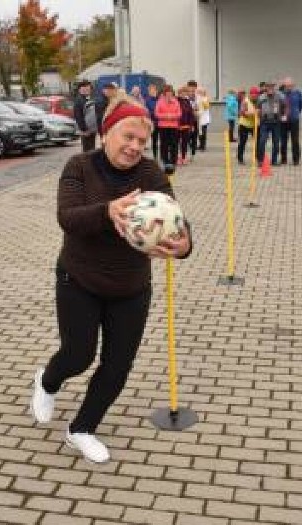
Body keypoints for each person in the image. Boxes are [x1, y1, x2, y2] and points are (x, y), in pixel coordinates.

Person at [30, 94, 193, 464]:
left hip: (131, 287)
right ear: (107, 133)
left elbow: (174, 218)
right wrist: (107, 211)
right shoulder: (79, 166)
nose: (135, 147)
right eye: (128, 137)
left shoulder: (151, 173)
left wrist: (183, 246)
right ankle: (47, 381)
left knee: (118, 365)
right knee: (78, 354)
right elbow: (68, 217)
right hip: (80, 279)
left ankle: (82, 429)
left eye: (141, 141)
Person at [255, 82, 284, 166]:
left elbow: (285, 105)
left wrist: (284, 115)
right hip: (265, 122)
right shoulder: (261, 97)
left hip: (276, 122)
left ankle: (274, 160)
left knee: (276, 142)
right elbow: (258, 108)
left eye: (272, 87)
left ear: (274, 88)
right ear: (266, 88)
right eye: (268, 87)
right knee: (262, 141)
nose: (270, 89)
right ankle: (260, 160)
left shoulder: (280, 96)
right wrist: (257, 117)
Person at [155, 84, 181, 174]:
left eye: (171, 93)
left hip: (173, 126)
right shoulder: (160, 102)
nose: (169, 95)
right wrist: (167, 116)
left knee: (174, 144)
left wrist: (171, 116)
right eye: (167, 93)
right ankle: (165, 161)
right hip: (163, 126)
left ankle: (173, 161)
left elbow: (179, 114)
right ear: (164, 93)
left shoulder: (176, 101)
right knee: (164, 144)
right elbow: (157, 114)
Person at [278, 77, 302, 166]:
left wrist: (295, 113)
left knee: (295, 140)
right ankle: (283, 159)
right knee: (283, 140)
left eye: (290, 85)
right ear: (284, 86)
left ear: (293, 85)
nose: (288, 87)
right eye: (286, 85)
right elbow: (279, 106)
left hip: (294, 119)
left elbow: (301, 106)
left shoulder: (298, 93)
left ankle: (296, 159)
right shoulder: (281, 94)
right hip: (283, 121)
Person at [74, 81, 99, 152]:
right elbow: (78, 117)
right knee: (87, 149)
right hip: (86, 130)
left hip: (91, 129)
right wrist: (84, 129)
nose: (87, 90)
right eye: (85, 89)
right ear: (80, 90)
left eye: (89, 89)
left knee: (91, 149)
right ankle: (88, 162)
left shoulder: (88, 99)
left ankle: (91, 162)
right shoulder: (79, 101)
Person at [237, 87, 259, 165]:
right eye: (253, 94)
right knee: (243, 141)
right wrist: (251, 113)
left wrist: (258, 113)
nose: (254, 96)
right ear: (250, 94)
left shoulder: (258, 101)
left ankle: (258, 158)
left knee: (257, 142)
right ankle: (240, 158)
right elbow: (242, 113)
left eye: (256, 94)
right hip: (244, 124)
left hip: (254, 125)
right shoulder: (245, 101)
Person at [177, 86, 196, 165]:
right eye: (182, 92)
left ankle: (184, 157)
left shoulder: (187, 101)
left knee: (185, 142)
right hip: (177, 125)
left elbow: (191, 114)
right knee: (176, 142)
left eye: (185, 92)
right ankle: (177, 157)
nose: (184, 94)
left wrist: (191, 125)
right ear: (179, 93)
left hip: (186, 125)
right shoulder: (176, 101)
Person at [143, 84, 160, 160]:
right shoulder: (147, 99)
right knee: (154, 139)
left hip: (161, 121)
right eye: (150, 90)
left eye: (153, 90)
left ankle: (162, 155)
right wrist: (155, 112)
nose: (152, 91)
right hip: (152, 122)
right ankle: (155, 155)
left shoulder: (159, 99)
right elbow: (147, 110)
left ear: (156, 90)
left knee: (163, 140)